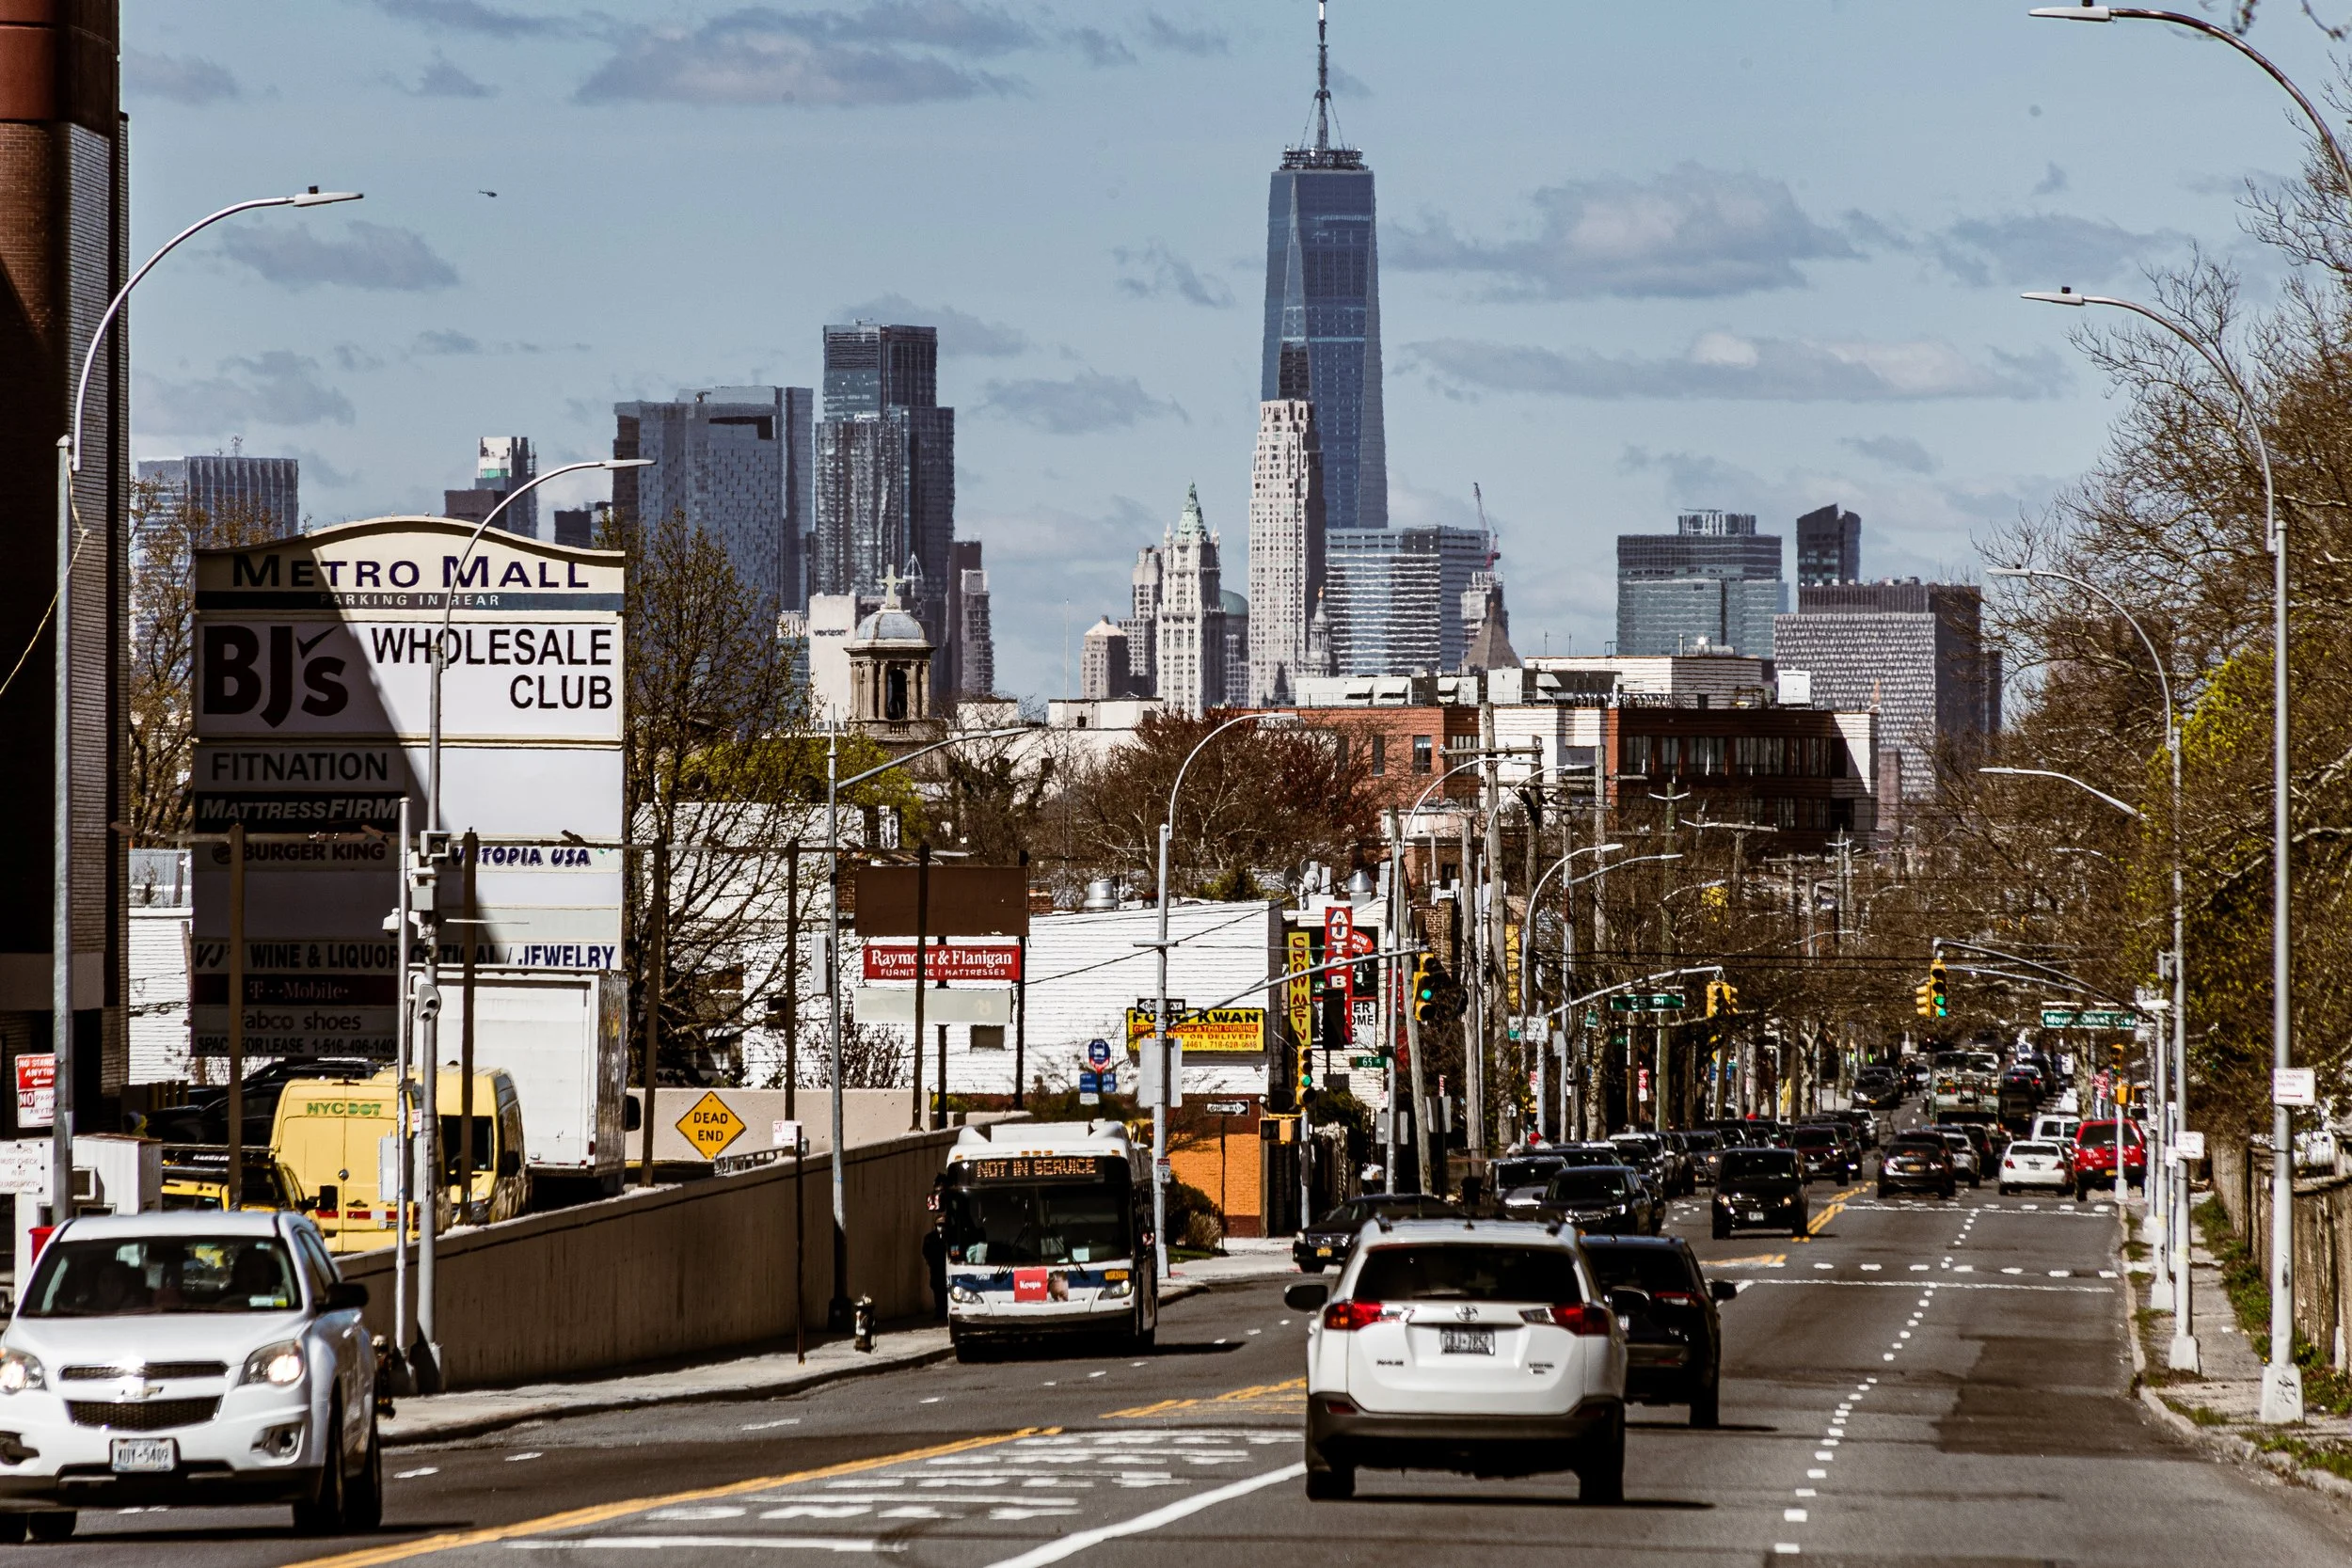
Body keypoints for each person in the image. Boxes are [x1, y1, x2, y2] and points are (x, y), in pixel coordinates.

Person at [920, 1212, 947, 1322]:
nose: (941, 1227)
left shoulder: (949, 1237)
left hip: (947, 1268)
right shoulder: (930, 1237)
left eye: (943, 1225)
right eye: (939, 1225)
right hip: (936, 1268)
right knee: (937, 1289)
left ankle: (945, 1311)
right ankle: (939, 1311)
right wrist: (930, 1261)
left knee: (946, 1291)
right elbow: (925, 1251)